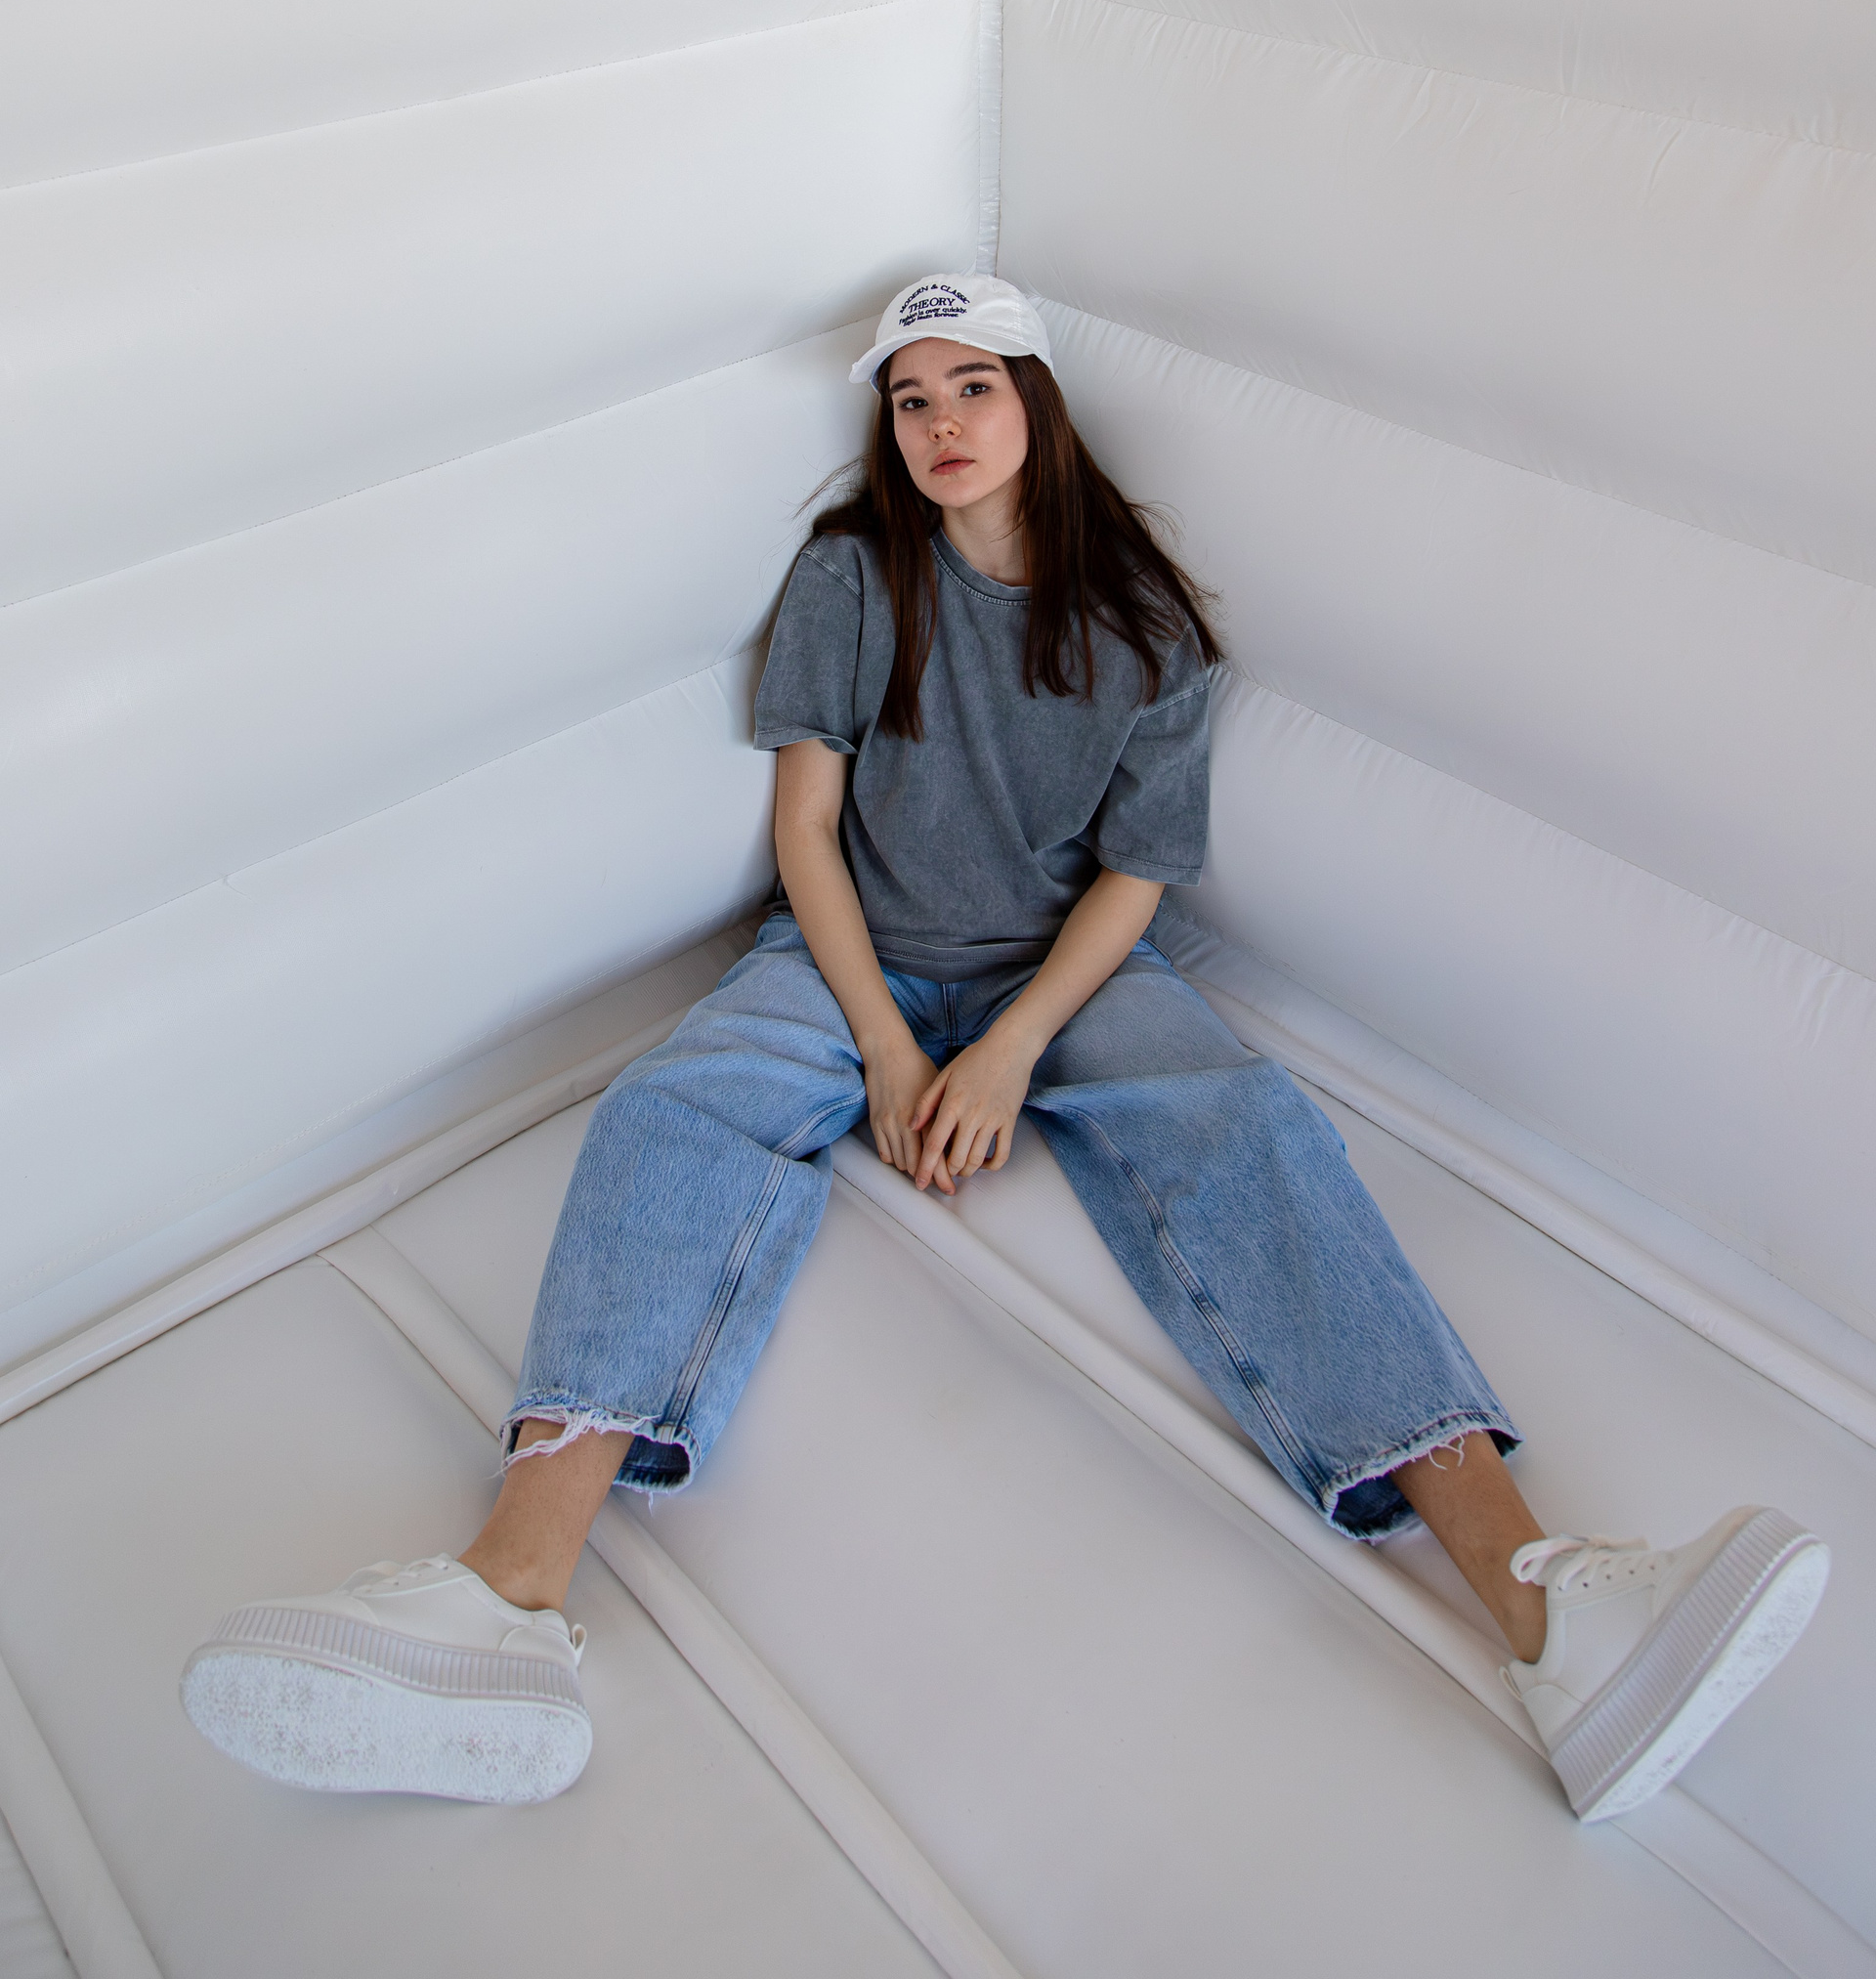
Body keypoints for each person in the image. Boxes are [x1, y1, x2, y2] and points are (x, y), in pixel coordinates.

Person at [182, 274, 1827, 1822]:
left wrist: (1012, 1048)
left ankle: (1551, 1610)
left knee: (1247, 1124)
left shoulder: (1148, 626)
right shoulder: (850, 577)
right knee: (673, 1109)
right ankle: (506, 1597)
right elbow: (807, 835)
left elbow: (1136, 877)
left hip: (1069, 973)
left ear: (1036, 399)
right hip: (852, 959)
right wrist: (894, 1052)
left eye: (972, 386)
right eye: (910, 400)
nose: (941, 423)